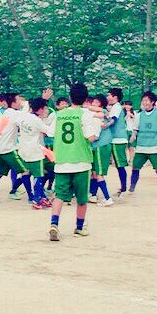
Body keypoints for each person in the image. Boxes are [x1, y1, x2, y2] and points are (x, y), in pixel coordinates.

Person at [48, 83, 98, 241]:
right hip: (81, 160)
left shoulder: (59, 114)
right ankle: (79, 227)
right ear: (85, 98)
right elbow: (91, 137)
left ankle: (54, 224)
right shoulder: (85, 114)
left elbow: (50, 132)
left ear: (70, 97)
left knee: (59, 195)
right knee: (82, 199)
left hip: (62, 160)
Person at [0, 93, 31, 203]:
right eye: (18, 100)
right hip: (8, 149)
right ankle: (31, 197)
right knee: (25, 171)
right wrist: (29, 103)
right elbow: (26, 116)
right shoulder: (13, 113)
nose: (20, 102)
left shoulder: (8, 112)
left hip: (1, 148)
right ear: (13, 103)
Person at [127, 91, 157, 199]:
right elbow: (135, 129)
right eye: (143, 100)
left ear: (152, 102)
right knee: (135, 168)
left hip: (154, 147)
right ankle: (131, 188)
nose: (144, 103)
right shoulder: (139, 115)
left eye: (146, 100)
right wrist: (133, 136)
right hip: (141, 147)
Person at [17, 97, 52, 209]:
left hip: (24, 150)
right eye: (45, 108)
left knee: (27, 173)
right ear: (40, 109)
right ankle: (36, 200)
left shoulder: (24, 116)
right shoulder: (37, 120)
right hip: (35, 152)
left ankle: (41, 197)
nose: (46, 110)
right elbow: (50, 132)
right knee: (39, 176)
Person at [87, 94, 114, 206]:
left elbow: (96, 136)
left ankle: (107, 198)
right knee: (94, 172)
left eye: (97, 102)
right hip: (96, 145)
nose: (94, 104)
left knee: (98, 173)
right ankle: (93, 195)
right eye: (93, 101)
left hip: (100, 145)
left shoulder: (100, 114)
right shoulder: (96, 114)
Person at [105, 87, 129, 196]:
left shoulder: (116, 107)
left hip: (118, 139)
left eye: (108, 95)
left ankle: (124, 189)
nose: (107, 97)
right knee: (119, 166)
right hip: (115, 139)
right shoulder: (115, 107)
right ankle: (123, 188)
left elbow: (113, 119)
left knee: (120, 165)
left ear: (115, 97)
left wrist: (105, 125)